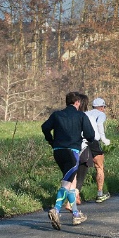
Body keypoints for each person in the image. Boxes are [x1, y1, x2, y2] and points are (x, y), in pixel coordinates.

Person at [40, 91, 96, 229]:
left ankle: (76, 214)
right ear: (77, 102)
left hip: (58, 152)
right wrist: (85, 139)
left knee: (71, 182)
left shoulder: (57, 115)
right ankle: (56, 209)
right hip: (72, 153)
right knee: (66, 183)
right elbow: (90, 135)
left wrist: (51, 140)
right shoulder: (81, 115)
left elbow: (44, 127)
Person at [75, 94, 112, 204]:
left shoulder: (86, 113)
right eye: (104, 107)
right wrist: (104, 138)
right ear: (102, 107)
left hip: (82, 141)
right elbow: (99, 124)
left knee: (80, 167)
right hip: (93, 141)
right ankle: (100, 194)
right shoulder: (101, 114)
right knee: (99, 166)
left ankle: (76, 194)